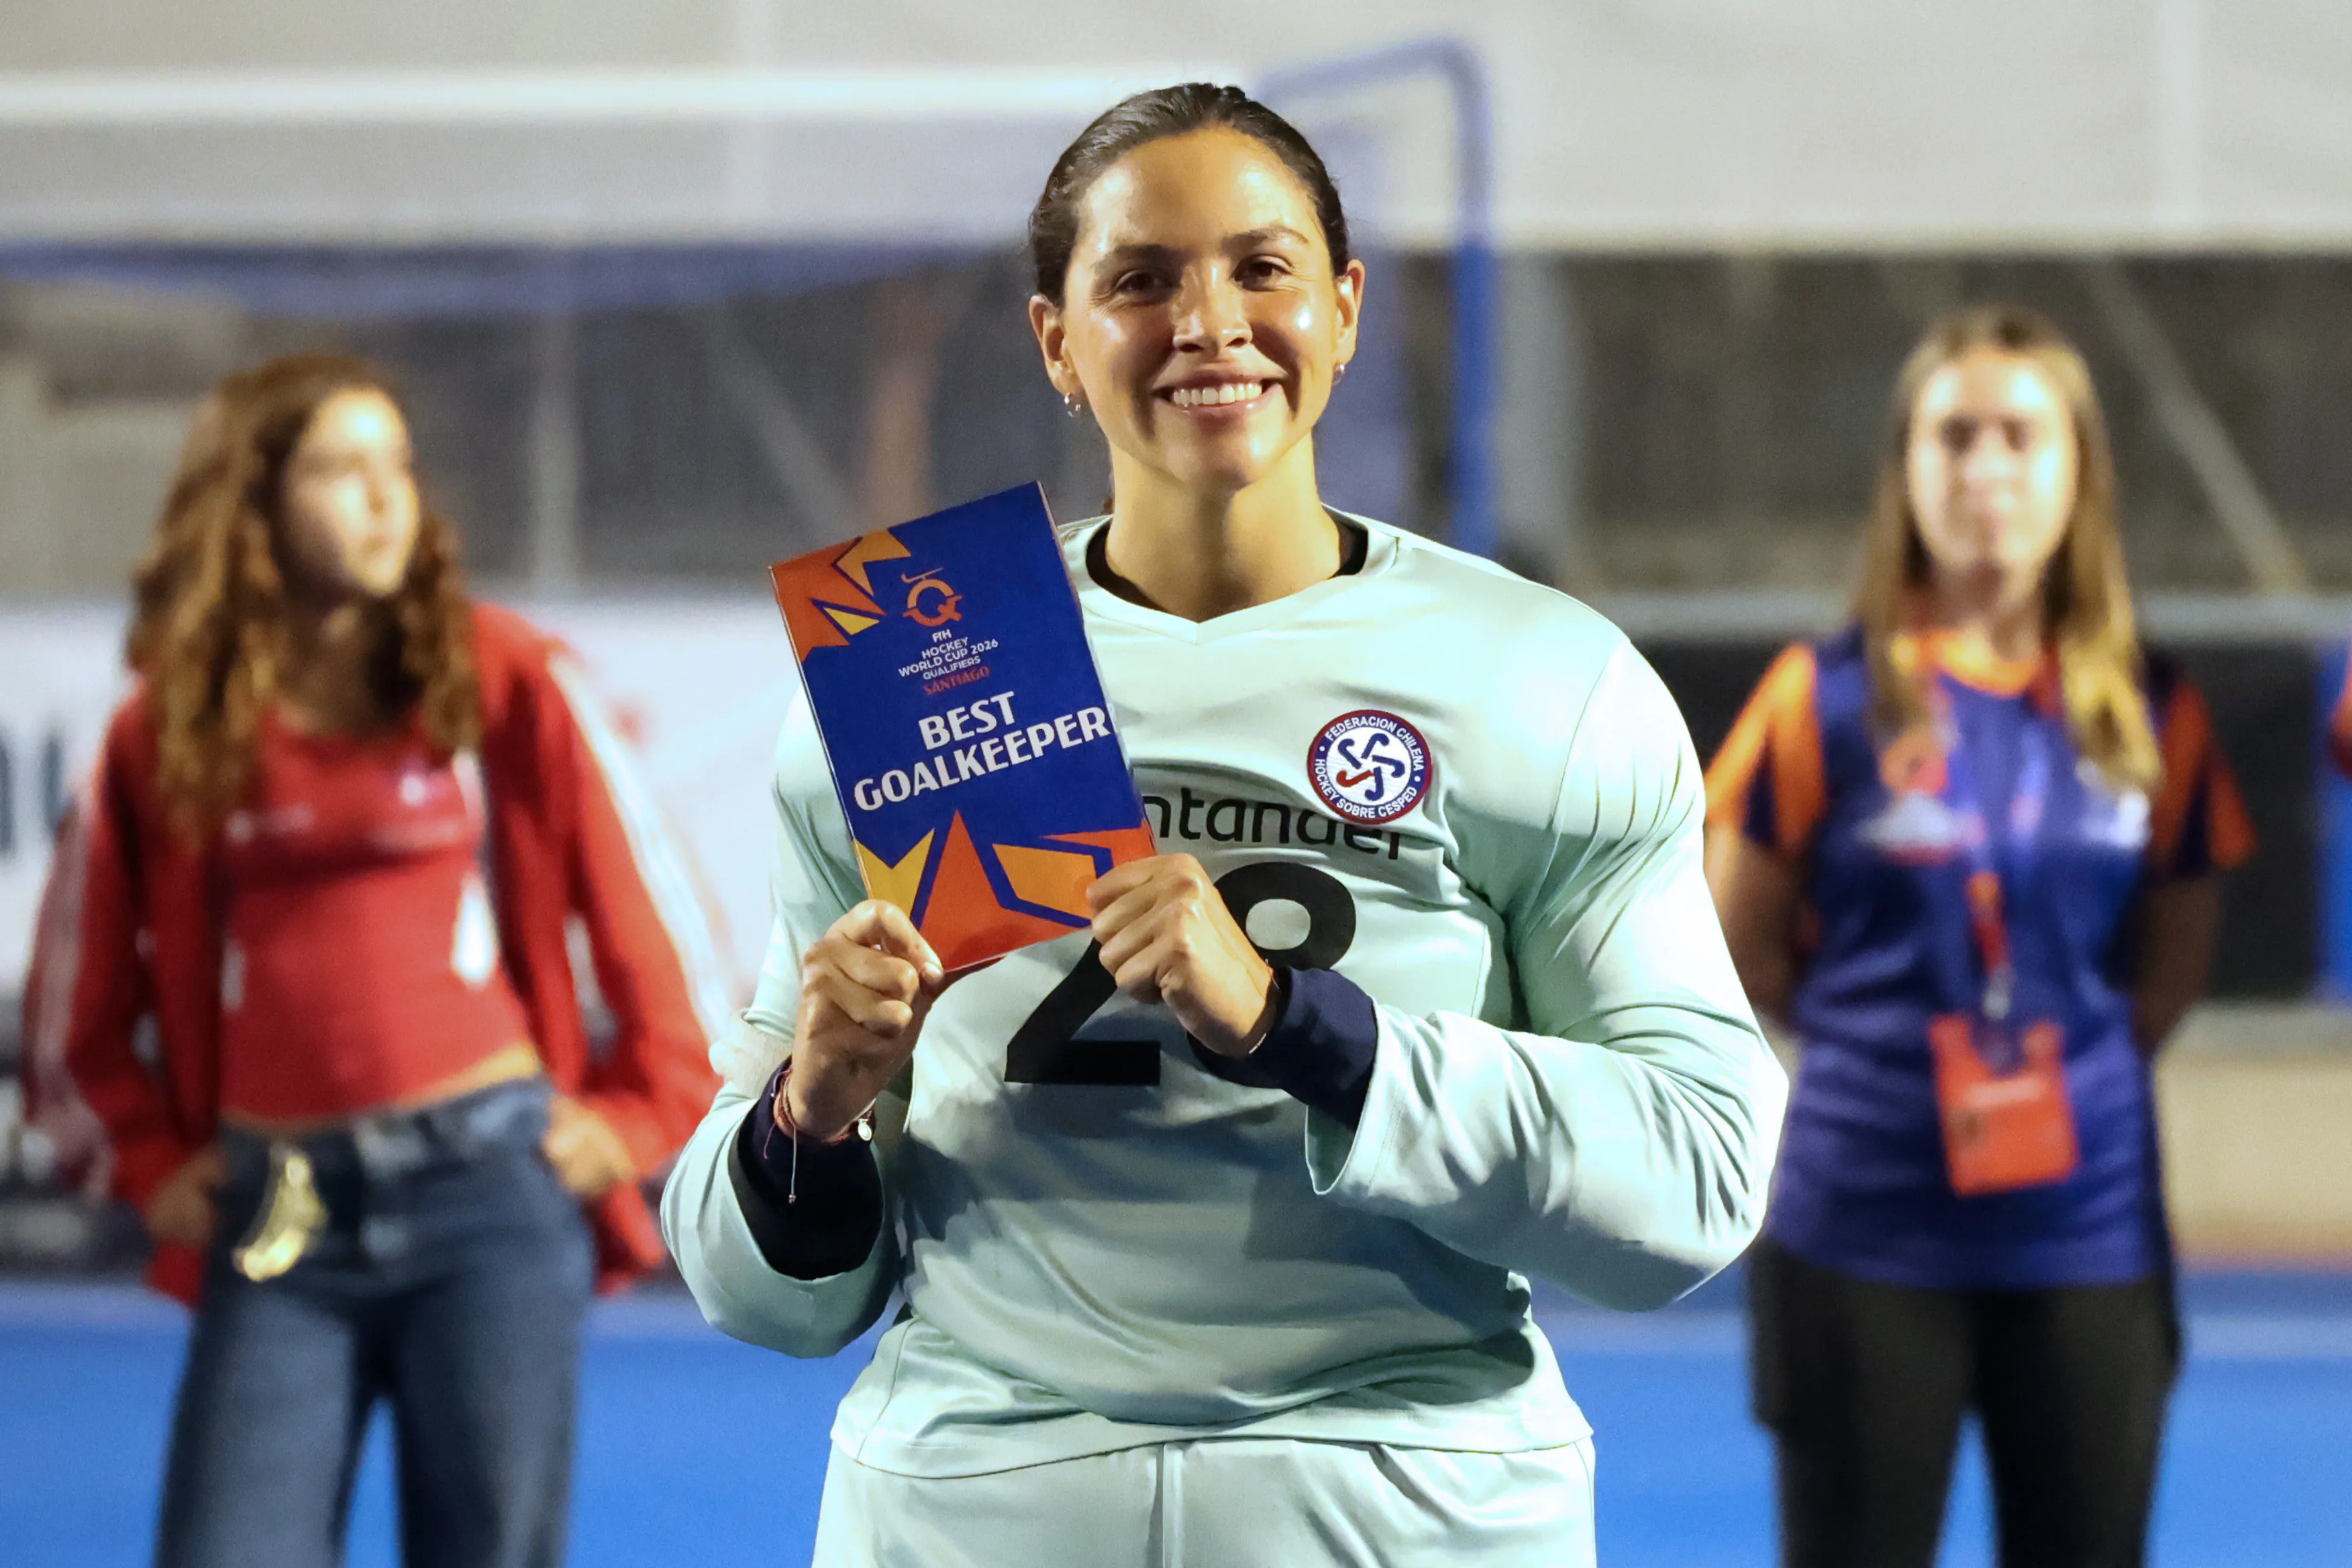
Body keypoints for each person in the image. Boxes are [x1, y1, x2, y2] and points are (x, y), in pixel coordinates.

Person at [662, 84, 1787, 1567]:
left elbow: (1697, 1177)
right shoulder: (911, 667)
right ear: (1056, 340)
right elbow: (774, 1296)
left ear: (1345, 305)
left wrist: (1299, 1027)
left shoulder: (1545, 679)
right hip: (988, 1505)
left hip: (1401, 1503)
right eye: (1141, 279)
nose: (1210, 320)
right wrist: (805, 1117)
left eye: (1262, 266)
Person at [21, 354, 728, 1568]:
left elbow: (652, 917)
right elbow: (72, 1007)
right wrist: (144, 1163)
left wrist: (641, 1114)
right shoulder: (164, 729)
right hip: (278, 1217)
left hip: (487, 1195)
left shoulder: (502, 676)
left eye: (397, 467)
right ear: (255, 506)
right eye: (343, 471)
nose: (387, 498)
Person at [1704, 306, 2255, 1568]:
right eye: (1954, 437)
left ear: (2080, 471)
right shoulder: (1822, 695)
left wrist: (2073, 1051)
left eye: (2022, 435)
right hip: (1863, 1227)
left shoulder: (2153, 709)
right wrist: (1878, 1052)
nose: (1987, 469)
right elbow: (1743, 947)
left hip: (2090, 1231)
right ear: (1905, 468)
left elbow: (2171, 964)